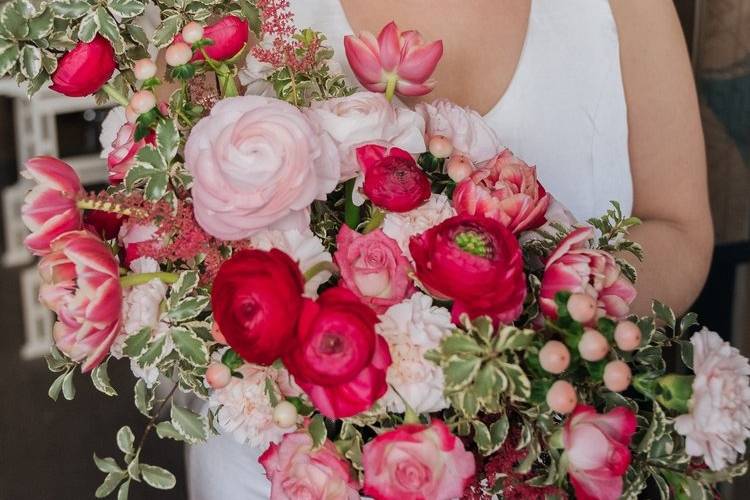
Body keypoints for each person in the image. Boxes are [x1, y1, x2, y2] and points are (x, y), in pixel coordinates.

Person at [186, 1, 714, 498]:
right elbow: (173, 237)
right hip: (281, 476)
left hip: (534, 467)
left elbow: (680, 230)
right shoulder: (220, 14)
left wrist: (518, 342)